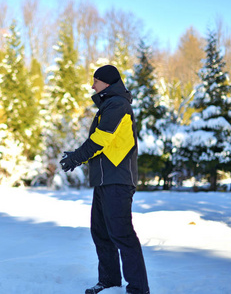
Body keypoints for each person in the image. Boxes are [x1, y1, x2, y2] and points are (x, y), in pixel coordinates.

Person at [60, 65, 149, 294]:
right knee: (100, 232)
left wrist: (76, 158)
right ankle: (109, 280)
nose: (92, 86)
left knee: (122, 233)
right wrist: (77, 156)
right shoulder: (110, 105)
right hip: (104, 180)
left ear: (107, 83)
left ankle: (138, 289)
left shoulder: (118, 104)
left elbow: (101, 139)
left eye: (96, 82)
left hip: (118, 180)